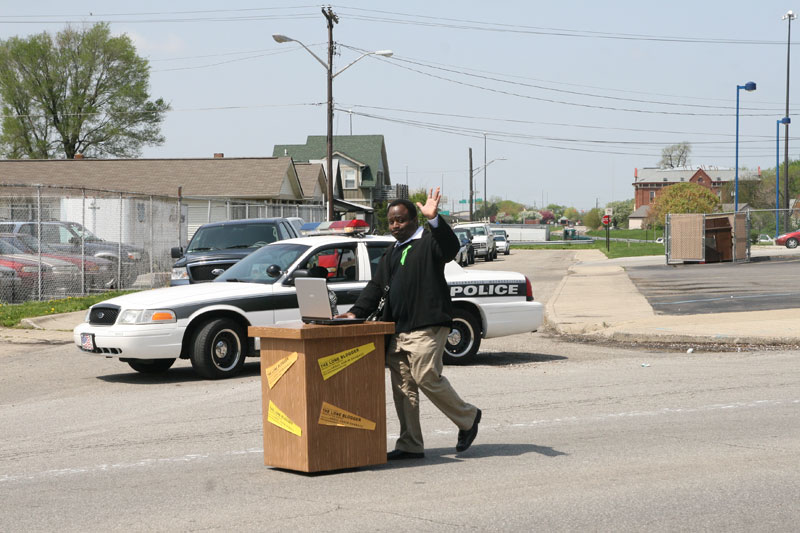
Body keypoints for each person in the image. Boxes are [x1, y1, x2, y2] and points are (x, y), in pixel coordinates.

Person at [338, 187, 481, 459]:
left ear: (414, 220)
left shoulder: (429, 241)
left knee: (426, 376)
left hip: (427, 326)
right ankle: (410, 444)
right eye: (391, 221)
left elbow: (451, 248)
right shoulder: (392, 251)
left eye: (401, 220)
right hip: (397, 331)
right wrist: (356, 312)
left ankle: (468, 417)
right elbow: (377, 286)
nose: (395, 225)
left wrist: (435, 219)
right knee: (403, 388)